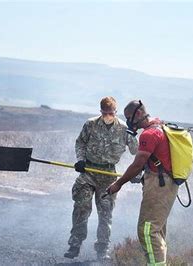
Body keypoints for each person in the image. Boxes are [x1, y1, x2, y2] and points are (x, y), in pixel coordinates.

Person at [64, 96, 138, 260]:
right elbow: (80, 143)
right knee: (81, 207)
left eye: (110, 113)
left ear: (115, 112)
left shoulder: (125, 130)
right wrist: (80, 160)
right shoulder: (90, 124)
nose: (107, 117)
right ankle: (74, 245)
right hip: (88, 172)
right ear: (101, 112)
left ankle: (102, 250)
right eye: (105, 113)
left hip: (108, 176)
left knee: (105, 214)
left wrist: (137, 173)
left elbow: (137, 152)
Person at [107, 100, 178, 266]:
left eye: (129, 118)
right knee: (157, 230)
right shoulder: (160, 125)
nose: (129, 123)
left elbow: (138, 163)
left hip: (159, 184)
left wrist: (119, 184)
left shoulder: (149, 134)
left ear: (138, 114)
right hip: (165, 182)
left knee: (147, 230)